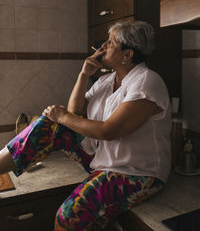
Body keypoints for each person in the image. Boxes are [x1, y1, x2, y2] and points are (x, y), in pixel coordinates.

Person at [0, 21, 172, 231]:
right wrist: (84, 75)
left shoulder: (146, 82)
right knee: (49, 124)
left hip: (137, 172)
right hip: (102, 159)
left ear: (127, 55)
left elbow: (108, 131)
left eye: (111, 42)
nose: (103, 46)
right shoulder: (107, 80)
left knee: (69, 215)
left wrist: (62, 115)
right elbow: (74, 113)